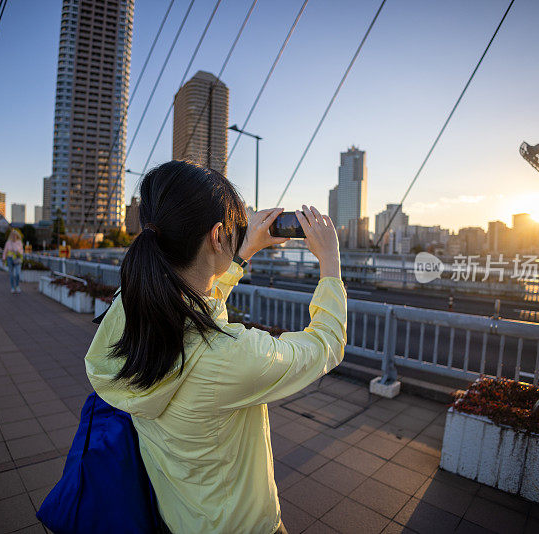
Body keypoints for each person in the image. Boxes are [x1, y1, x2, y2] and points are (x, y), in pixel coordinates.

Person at [85, 161, 346, 534]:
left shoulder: (131, 306)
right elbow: (326, 345)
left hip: (177, 516)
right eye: (235, 229)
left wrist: (240, 257)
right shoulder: (231, 355)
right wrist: (331, 263)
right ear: (218, 235)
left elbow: (193, 307)